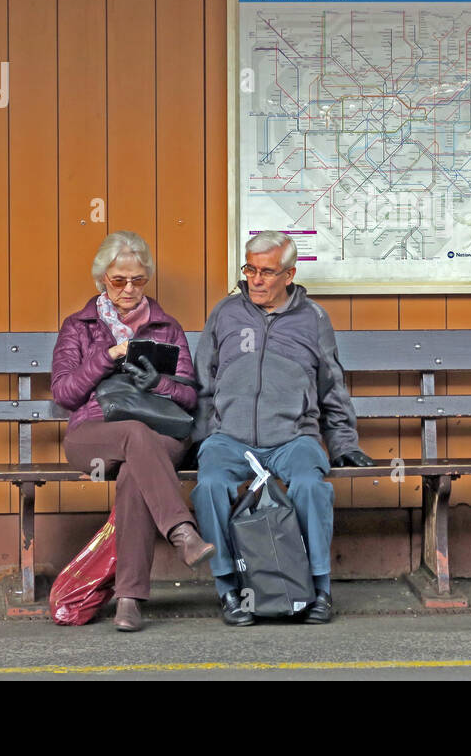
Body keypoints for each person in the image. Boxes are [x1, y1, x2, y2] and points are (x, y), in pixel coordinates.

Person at [191, 230, 374, 626]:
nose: (256, 280)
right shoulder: (225, 313)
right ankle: (228, 590)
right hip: (230, 439)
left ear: (289, 274)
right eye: (250, 269)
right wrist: (202, 439)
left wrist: (342, 442)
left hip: (294, 438)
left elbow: (332, 386)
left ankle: (319, 590)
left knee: (311, 486)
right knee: (209, 486)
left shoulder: (313, 319)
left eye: (267, 272)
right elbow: (202, 383)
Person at [51, 230, 216, 631]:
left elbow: (190, 398)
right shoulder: (80, 326)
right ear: (101, 280)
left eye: (138, 280)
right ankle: (181, 531)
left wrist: (155, 384)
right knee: (134, 436)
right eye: (118, 280)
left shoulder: (166, 327)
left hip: (162, 435)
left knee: (133, 471)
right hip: (95, 435)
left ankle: (129, 600)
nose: (129, 288)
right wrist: (105, 358)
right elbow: (65, 393)